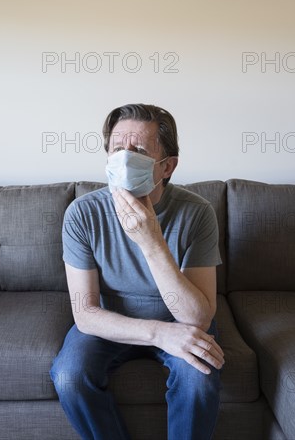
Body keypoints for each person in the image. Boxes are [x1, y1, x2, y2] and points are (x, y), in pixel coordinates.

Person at [50, 103, 225, 440]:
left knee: (199, 378)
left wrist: (151, 241)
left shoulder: (198, 213)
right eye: (118, 149)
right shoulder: (82, 213)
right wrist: (159, 334)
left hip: (180, 318)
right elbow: (86, 314)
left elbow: (198, 318)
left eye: (139, 151)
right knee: (69, 375)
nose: (124, 158)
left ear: (167, 166)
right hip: (111, 321)